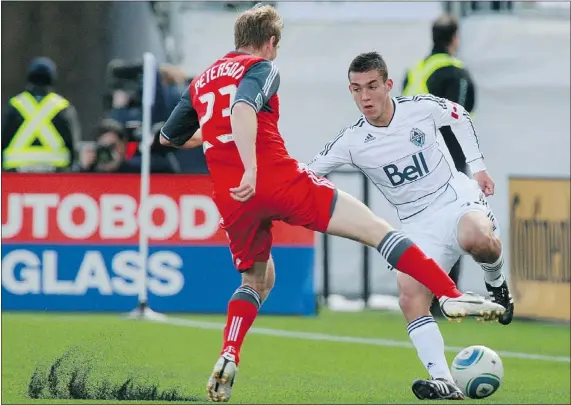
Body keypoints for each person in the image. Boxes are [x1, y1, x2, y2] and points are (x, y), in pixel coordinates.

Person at [159, 4, 505, 403]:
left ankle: (229, 352)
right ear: (270, 42)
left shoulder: (201, 79)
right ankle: (449, 294)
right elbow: (242, 107)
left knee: (256, 281)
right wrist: (251, 166)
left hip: (232, 197)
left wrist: (217, 138)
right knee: (378, 231)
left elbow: (169, 137)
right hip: (274, 179)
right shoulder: (261, 67)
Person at [306, 51, 515, 401]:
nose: (365, 97)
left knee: (478, 239)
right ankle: (445, 381)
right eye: (357, 89)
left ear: (388, 85)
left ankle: (497, 284)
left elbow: (459, 115)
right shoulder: (352, 141)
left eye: (372, 86)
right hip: (417, 223)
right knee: (409, 295)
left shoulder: (420, 107)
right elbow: (310, 174)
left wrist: (477, 167)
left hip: (454, 199)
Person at [402, 15, 477, 305]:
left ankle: (421, 291)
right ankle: (446, 295)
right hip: (447, 160)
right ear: (455, 38)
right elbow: (461, 114)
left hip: (413, 161)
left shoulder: (415, 70)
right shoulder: (454, 71)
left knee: (423, 228)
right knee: (452, 227)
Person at [2, 57, 81, 172]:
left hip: (17, 175)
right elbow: (73, 145)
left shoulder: (15, 105)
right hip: (55, 175)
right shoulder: (62, 106)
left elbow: (3, 138)